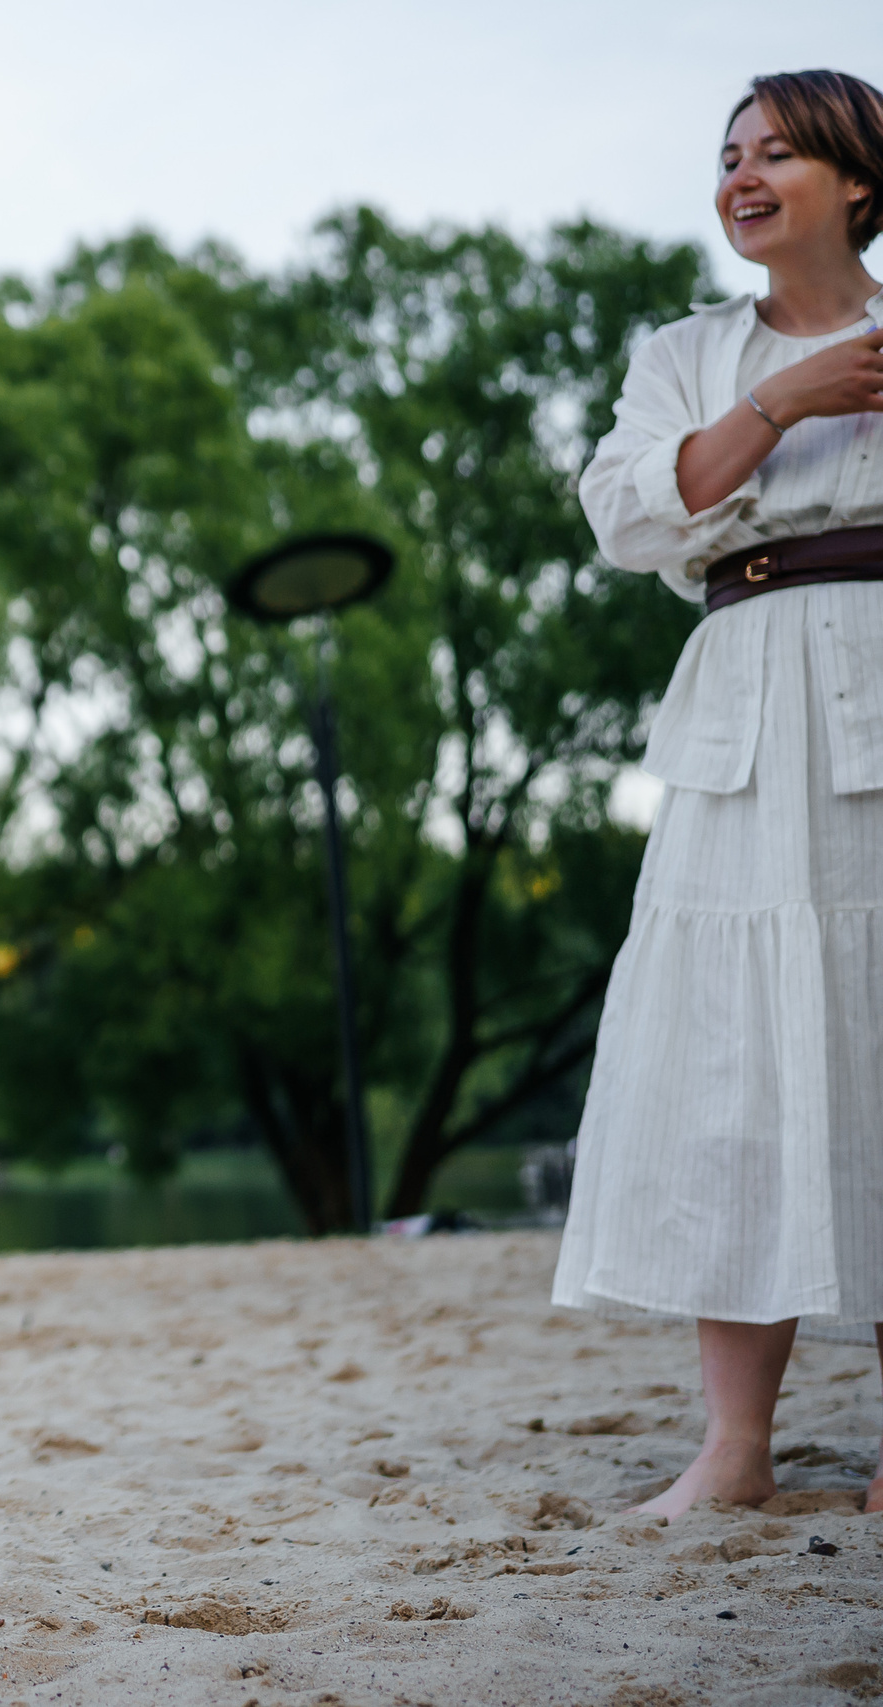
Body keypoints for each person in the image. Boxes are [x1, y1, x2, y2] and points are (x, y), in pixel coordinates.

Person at [559, 69, 883, 1519]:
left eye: (780, 153)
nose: (744, 175)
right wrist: (782, 400)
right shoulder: (686, 351)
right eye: (729, 155)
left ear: (860, 180)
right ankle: (735, 1447)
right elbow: (633, 514)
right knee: (734, 1067)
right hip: (744, 707)